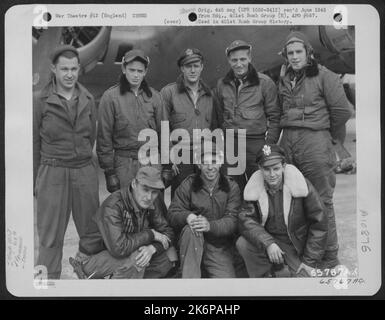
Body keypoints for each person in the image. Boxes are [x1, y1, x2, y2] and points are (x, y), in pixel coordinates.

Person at [278, 31, 352, 268]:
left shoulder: (324, 76)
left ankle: (329, 258)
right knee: (296, 201)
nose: (295, 56)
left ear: (308, 53)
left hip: (314, 143)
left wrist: (326, 136)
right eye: (290, 53)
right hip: (289, 141)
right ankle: (307, 256)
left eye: (299, 52)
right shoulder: (285, 78)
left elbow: (341, 112)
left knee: (321, 201)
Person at [33, 45, 99, 279]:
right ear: (54, 69)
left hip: (83, 171)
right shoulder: (39, 101)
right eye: (64, 69)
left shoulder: (88, 99)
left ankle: (93, 281)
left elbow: (90, 136)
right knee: (50, 236)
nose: (69, 74)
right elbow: (34, 145)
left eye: (73, 69)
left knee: (93, 232)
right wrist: (37, 183)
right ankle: (46, 287)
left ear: (79, 69)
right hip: (53, 171)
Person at [236, 144, 328, 277]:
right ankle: (264, 277)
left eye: (276, 168)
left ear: (284, 167)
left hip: (295, 243)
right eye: (267, 169)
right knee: (243, 243)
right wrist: (268, 243)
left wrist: (309, 260)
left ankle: (283, 270)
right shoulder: (253, 188)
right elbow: (246, 220)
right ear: (260, 169)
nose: (272, 174)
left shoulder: (300, 185)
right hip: (268, 240)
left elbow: (320, 223)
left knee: (304, 282)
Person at [71, 166, 175, 279]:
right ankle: (116, 290)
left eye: (154, 192)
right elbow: (119, 248)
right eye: (145, 189)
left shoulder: (154, 199)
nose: (149, 197)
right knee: (137, 259)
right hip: (91, 258)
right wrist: (151, 234)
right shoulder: (114, 205)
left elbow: (168, 232)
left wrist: (152, 248)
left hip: (126, 252)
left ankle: (124, 284)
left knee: (170, 255)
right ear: (134, 184)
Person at [215, 40, 281, 192]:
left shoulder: (265, 83)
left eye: (243, 59)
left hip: (256, 144)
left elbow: (275, 117)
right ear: (228, 61)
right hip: (231, 145)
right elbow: (218, 118)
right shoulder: (221, 85)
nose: (239, 64)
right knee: (232, 190)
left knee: (260, 189)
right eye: (234, 60)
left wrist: (268, 145)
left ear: (250, 58)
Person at [167, 143, 241, 278]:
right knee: (191, 230)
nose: (210, 167)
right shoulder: (188, 184)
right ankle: (188, 281)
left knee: (227, 288)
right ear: (198, 165)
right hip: (193, 241)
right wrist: (187, 216)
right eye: (205, 163)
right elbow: (172, 213)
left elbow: (233, 221)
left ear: (220, 163)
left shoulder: (231, 187)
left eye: (214, 162)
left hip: (218, 246)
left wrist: (209, 226)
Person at [97, 49, 163, 193]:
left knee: (152, 208)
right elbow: (104, 137)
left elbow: (163, 132)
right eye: (131, 70)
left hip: (151, 161)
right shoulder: (110, 97)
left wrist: (167, 166)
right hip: (124, 162)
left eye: (140, 71)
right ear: (123, 69)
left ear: (145, 72)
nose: (135, 75)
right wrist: (109, 171)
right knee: (125, 208)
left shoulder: (156, 97)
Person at [161, 48, 218, 196]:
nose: (193, 70)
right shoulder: (169, 93)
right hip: (180, 157)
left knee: (204, 199)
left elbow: (214, 128)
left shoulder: (209, 95)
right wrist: (168, 160)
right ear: (182, 68)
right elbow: (162, 128)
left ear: (202, 67)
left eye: (196, 65)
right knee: (180, 199)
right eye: (188, 66)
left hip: (204, 156)